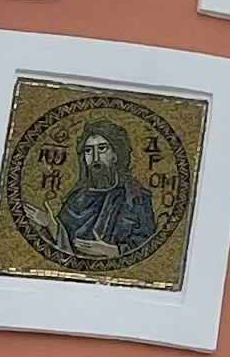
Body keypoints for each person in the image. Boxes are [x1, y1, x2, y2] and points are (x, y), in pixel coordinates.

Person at [46, 114, 159, 267]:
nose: (95, 157)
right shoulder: (75, 200)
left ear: (115, 155)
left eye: (102, 148)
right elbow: (63, 244)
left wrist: (113, 251)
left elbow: (148, 245)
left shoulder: (137, 198)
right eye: (88, 151)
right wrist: (51, 224)